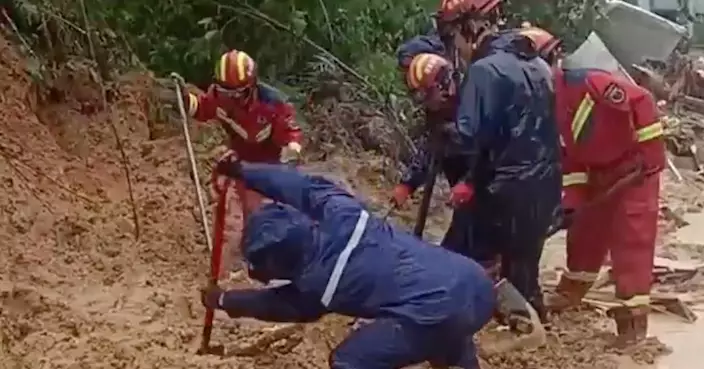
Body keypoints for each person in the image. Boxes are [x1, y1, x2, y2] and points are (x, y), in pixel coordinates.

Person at [200, 158, 495, 369]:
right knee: (434, 309)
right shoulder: (345, 214)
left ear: (278, 267)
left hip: (438, 313)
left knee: (348, 362)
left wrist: (225, 299)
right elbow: (300, 185)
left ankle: (449, 344)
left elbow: (273, 304)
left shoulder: (319, 287)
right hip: (475, 283)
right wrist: (245, 170)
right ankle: (458, 357)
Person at [525, 27, 666, 348]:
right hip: (596, 171)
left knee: (631, 239)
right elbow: (569, 156)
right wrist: (572, 201)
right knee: (585, 231)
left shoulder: (587, 81)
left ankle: (633, 319)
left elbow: (642, 101)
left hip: (633, 170)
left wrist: (651, 154)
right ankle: (572, 290)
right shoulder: (544, 102)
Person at [433, 0, 562, 324]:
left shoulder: (484, 70)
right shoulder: (536, 64)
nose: (456, 49)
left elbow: (469, 136)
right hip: (546, 182)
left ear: (468, 28)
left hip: (507, 188)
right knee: (524, 268)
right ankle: (535, 329)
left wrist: (441, 126)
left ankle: (453, 323)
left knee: (459, 256)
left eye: (454, 39)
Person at [171, 49, 303, 221]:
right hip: (242, 163)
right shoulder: (219, 97)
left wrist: (287, 164)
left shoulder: (274, 105)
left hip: (272, 165)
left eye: (237, 93)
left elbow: (291, 136)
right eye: (226, 93)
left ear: (252, 86)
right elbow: (202, 108)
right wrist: (184, 99)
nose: (231, 99)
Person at [390, 53, 478, 258]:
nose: (425, 104)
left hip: (490, 190)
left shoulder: (475, 102)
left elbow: (494, 152)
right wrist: (408, 184)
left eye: (427, 95)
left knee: (464, 255)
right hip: (466, 197)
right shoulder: (438, 111)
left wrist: (471, 182)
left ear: (443, 85)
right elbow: (431, 148)